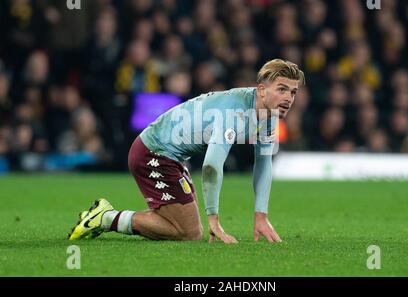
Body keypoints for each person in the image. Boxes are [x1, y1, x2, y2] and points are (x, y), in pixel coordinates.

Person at [68, 59, 305, 243]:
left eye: (293, 92)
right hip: (153, 153)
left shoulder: (269, 114)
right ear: (262, 89)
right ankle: (105, 218)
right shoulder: (234, 112)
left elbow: (263, 163)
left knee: (185, 229)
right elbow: (212, 165)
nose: (288, 98)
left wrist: (260, 216)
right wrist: (214, 219)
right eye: (282, 89)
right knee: (188, 232)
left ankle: (107, 217)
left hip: (173, 157)